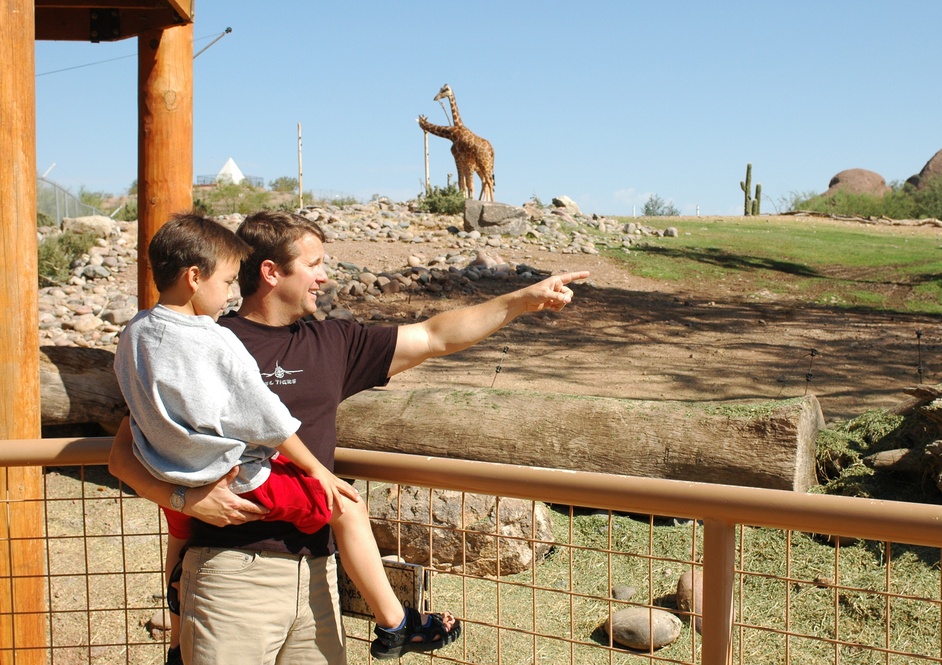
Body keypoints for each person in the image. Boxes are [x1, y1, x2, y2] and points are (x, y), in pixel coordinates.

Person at [108, 209, 589, 665]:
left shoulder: (333, 343)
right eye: (314, 264)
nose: (324, 276)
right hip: (230, 576)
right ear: (272, 272)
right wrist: (182, 498)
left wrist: (519, 302)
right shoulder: (206, 343)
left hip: (318, 576)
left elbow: (435, 336)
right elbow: (125, 452)